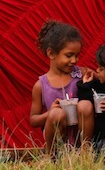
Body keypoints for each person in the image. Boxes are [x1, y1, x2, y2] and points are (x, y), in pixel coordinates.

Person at [29, 20, 95, 154]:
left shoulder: (81, 73)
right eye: (69, 55)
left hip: (78, 134)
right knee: (56, 114)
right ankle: (52, 156)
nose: (74, 60)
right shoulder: (41, 85)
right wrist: (49, 113)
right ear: (51, 54)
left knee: (86, 105)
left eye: (77, 55)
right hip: (56, 135)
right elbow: (33, 120)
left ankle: (85, 153)